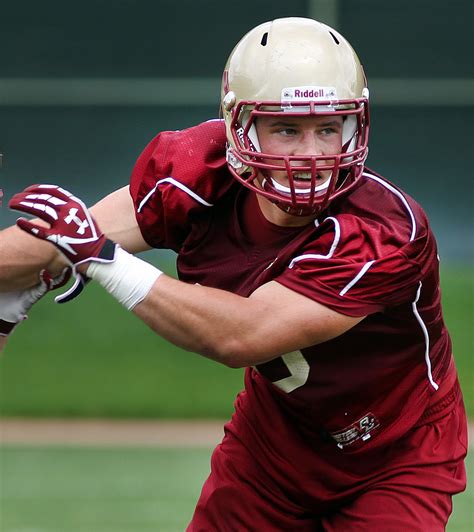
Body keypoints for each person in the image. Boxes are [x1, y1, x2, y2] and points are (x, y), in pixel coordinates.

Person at [1, 17, 467, 531]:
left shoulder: (383, 231)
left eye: (328, 128)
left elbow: (242, 335)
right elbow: (55, 244)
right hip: (274, 445)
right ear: (239, 126)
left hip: (396, 453)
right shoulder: (197, 174)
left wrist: (105, 260)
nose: (311, 154)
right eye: (288, 129)